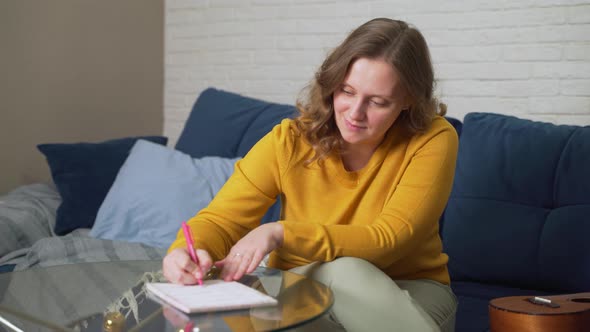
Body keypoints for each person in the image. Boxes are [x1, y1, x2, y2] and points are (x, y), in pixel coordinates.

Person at [163, 17, 458, 332]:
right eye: (346, 91)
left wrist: (281, 233)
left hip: (408, 290)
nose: (355, 113)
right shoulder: (289, 142)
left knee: (345, 272)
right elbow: (221, 220)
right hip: (305, 287)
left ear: (408, 100)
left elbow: (389, 239)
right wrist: (184, 252)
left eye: (377, 102)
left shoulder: (432, 139)